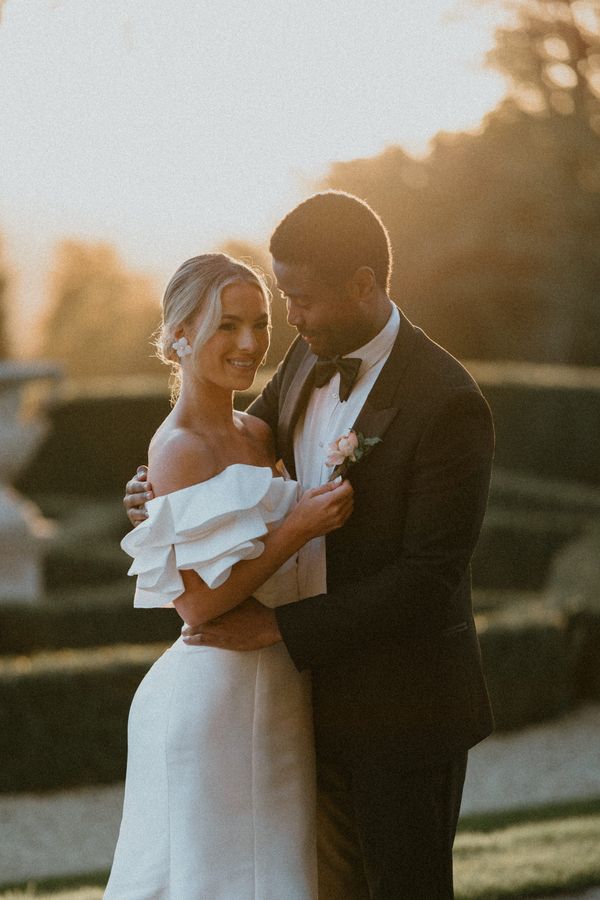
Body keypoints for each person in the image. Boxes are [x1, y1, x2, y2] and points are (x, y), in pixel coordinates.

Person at [125, 192, 495, 899]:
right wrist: (156, 494)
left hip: (402, 707)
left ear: (362, 284)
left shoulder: (447, 401)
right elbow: (228, 454)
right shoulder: (307, 356)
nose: (288, 319)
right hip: (298, 703)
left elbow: (429, 578)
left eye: (300, 300)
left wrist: (277, 627)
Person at [106, 252, 354, 899]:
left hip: (279, 683)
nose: (249, 343)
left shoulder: (259, 433)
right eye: (227, 325)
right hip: (218, 694)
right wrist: (296, 527)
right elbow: (196, 606)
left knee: (277, 872)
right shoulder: (178, 447)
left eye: (260, 323)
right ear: (179, 336)